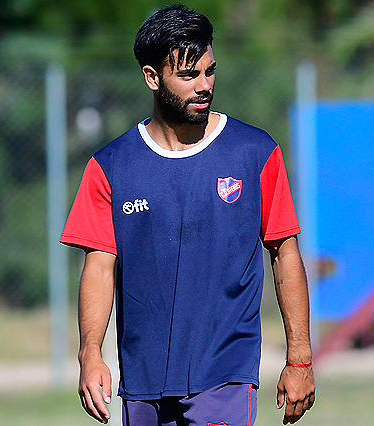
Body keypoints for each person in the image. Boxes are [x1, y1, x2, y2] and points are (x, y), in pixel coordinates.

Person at [60, 4, 315, 425]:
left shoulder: (255, 153)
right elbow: (99, 267)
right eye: (188, 75)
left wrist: (300, 358)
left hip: (225, 373)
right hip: (142, 381)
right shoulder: (110, 166)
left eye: (209, 71)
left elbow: (284, 254)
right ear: (152, 77)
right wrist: (90, 353)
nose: (204, 85)